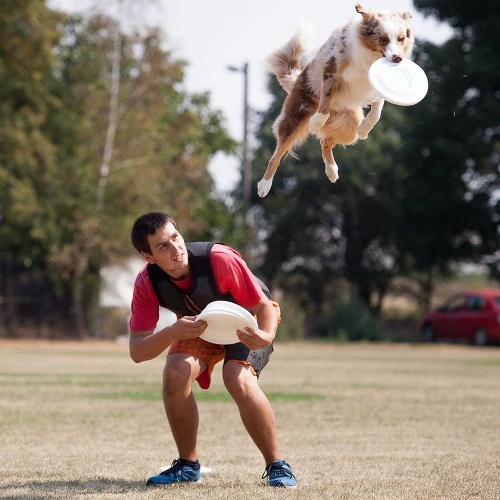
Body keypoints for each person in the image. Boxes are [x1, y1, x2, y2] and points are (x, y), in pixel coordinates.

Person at [128, 212, 297, 488]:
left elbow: (264, 307)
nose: (176, 249)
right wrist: (171, 332)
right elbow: (137, 351)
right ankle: (187, 465)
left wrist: (265, 337)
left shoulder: (219, 259)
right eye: (163, 246)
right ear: (148, 257)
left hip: (247, 321)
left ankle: (277, 464)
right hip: (203, 326)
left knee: (237, 378)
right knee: (174, 373)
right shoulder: (147, 283)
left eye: (175, 237)